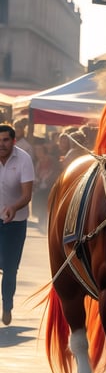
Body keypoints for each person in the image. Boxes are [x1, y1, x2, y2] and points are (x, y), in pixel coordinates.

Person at [0, 123, 35, 325]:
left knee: (10, 267)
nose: (1, 145)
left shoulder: (24, 159)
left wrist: (14, 207)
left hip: (16, 221)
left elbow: (27, 195)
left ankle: (7, 305)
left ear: (13, 141)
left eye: (5, 140)